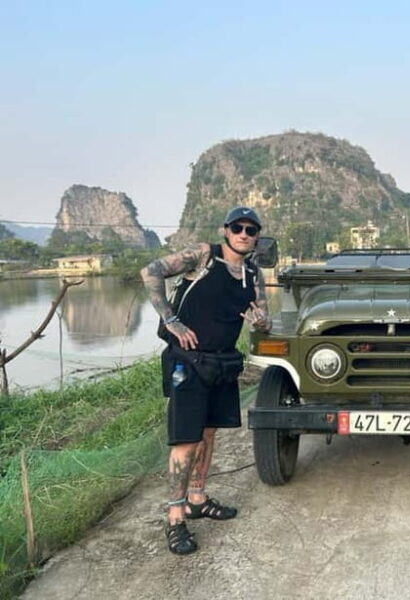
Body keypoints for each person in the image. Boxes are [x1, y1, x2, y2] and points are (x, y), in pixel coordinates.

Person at [141, 206, 272, 555]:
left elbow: (265, 318)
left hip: (222, 363)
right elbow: (150, 271)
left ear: (257, 236)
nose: (244, 234)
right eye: (238, 227)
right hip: (188, 362)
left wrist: (261, 323)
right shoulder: (203, 256)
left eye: (251, 230)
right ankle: (175, 517)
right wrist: (170, 320)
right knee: (186, 440)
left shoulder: (252, 274)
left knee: (209, 434)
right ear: (225, 230)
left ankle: (197, 498)